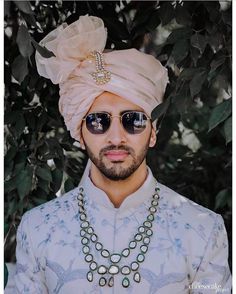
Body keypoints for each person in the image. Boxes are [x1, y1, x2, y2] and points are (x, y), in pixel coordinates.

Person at [14, 15, 231, 293]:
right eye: (98, 121)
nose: (116, 137)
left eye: (133, 120)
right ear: (80, 133)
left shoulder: (203, 230)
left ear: (152, 132)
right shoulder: (37, 230)